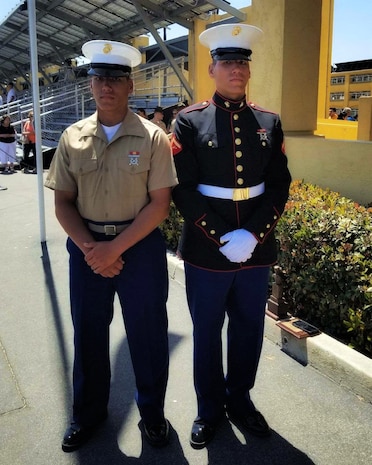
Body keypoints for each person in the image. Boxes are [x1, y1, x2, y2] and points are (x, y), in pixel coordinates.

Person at [45, 39, 177, 452]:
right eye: (99, 77)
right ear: (90, 85)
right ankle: (88, 414)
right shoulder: (72, 137)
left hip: (138, 249)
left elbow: (160, 206)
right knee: (87, 335)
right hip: (87, 249)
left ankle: (152, 415)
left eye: (116, 79)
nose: (107, 86)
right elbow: (63, 202)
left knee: (148, 335)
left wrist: (114, 248)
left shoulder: (152, 137)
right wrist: (91, 248)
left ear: (130, 85)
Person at [171, 24, 291, 449]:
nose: (236, 69)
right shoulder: (188, 121)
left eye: (242, 62)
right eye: (228, 62)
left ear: (248, 70)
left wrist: (253, 236)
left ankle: (239, 400)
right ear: (212, 68)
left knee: (247, 331)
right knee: (206, 332)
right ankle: (209, 410)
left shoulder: (268, 121)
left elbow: (279, 185)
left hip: (255, 251)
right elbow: (181, 189)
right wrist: (223, 237)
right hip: (209, 249)